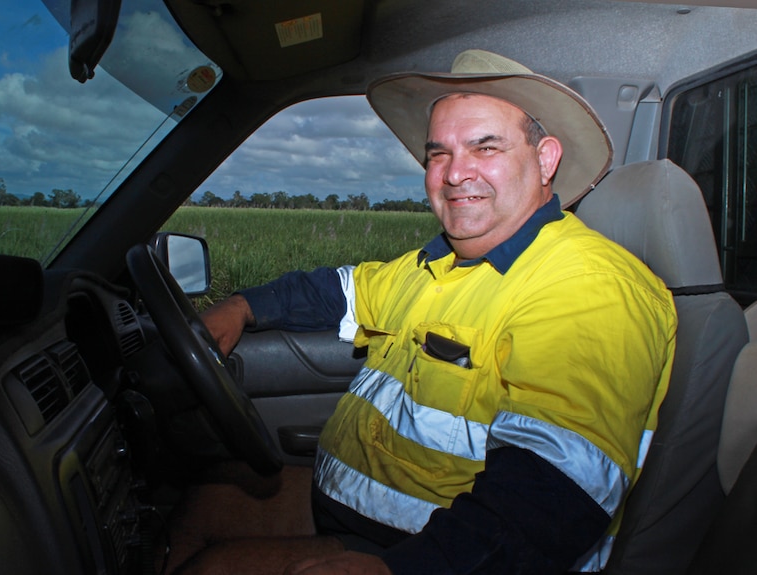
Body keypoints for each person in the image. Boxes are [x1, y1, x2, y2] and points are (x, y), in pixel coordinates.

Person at [171, 49, 677, 575]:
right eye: (439, 154)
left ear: (546, 159)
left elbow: (552, 492)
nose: (456, 173)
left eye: (485, 147)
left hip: (429, 550)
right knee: (202, 503)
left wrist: (400, 570)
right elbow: (337, 291)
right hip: (355, 513)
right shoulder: (438, 264)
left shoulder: (590, 288)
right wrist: (240, 307)